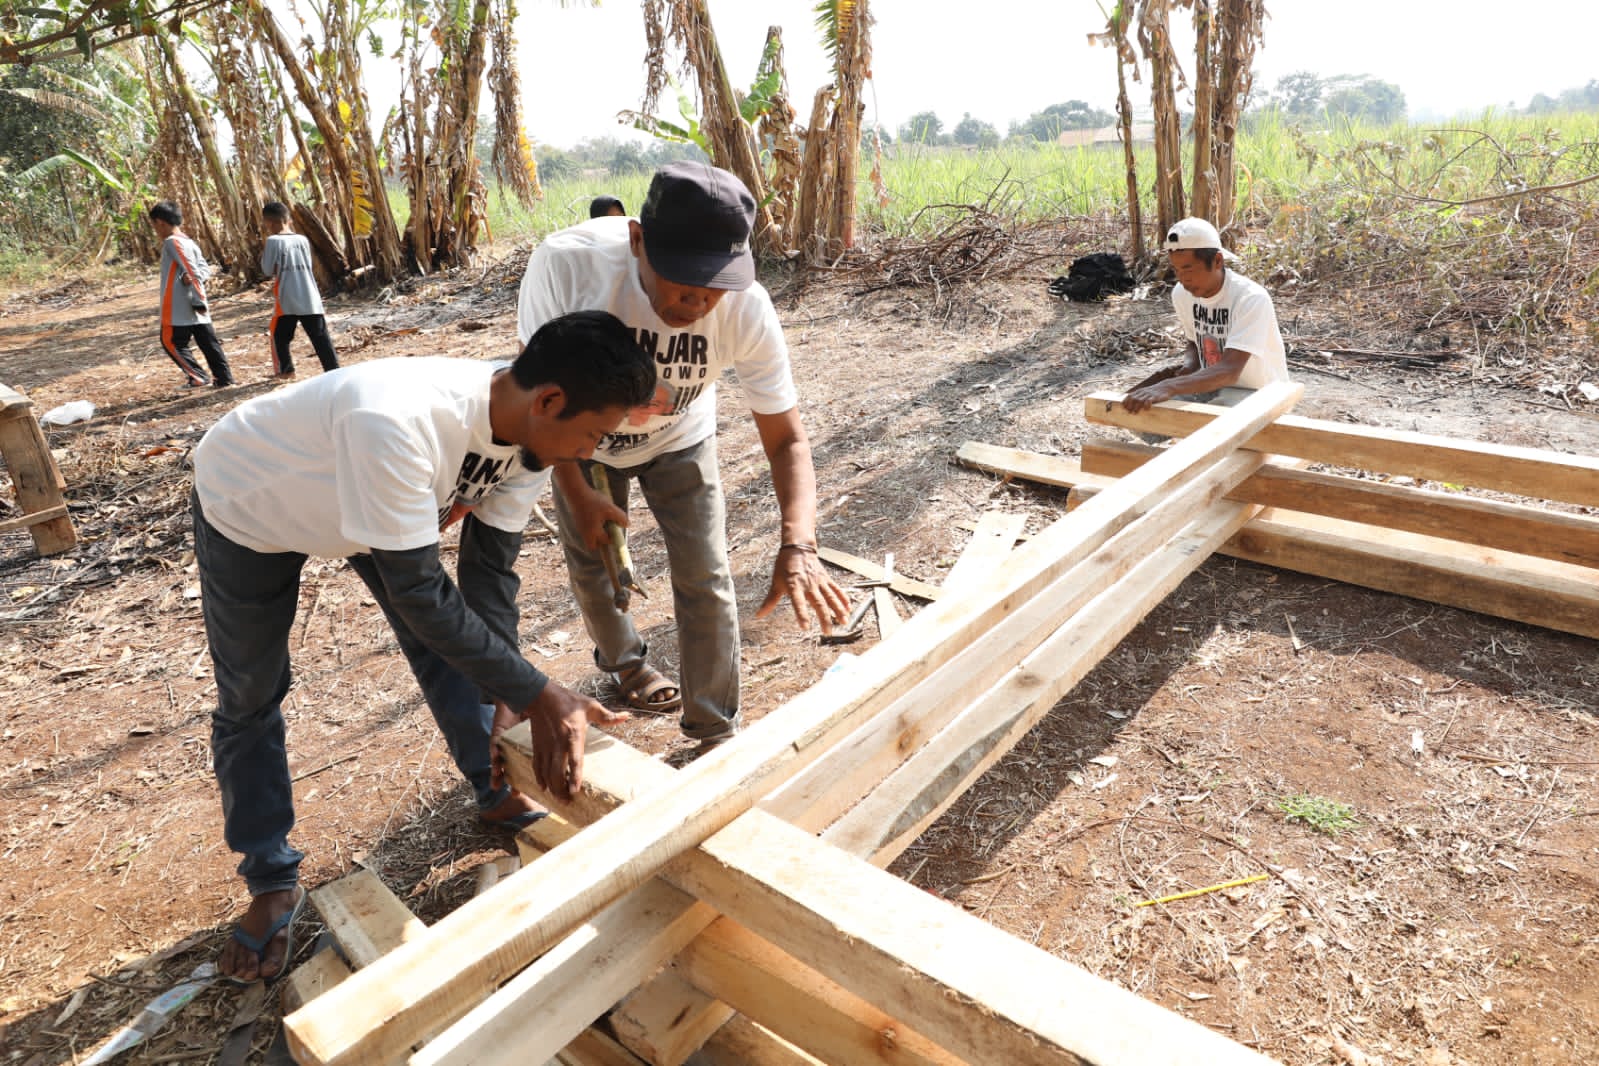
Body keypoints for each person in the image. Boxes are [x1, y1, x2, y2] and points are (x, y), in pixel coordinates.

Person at [192, 311, 656, 983]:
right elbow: (420, 595)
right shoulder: (397, 419)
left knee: (456, 643)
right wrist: (538, 692)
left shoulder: (534, 440)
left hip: (370, 510)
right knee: (251, 693)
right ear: (549, 400)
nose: (588, 453)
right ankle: (271, 879)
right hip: (251, 504)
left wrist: (509, 694)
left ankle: (493, 785)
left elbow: (488, 577)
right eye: (592, 434)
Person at [517, 162, 849, 747]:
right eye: (682, 281)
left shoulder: (746, 308)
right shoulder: (569, 268)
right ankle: (626, 667)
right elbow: (537, 399)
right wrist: (579, 491)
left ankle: (715, 727)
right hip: (578, 437)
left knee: (705, 573)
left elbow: (787, 439)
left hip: (681, 436)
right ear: (637, 240)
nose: (697, 302)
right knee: (595, 567)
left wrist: (800, 544)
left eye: (714, 284)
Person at [1123, 217, 1289, 420]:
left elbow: (1230, 370)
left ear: (1217, 261)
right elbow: (1194, 342)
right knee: (1145, 414)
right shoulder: (1182, 294)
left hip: (1259, 391)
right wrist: (1189, 365)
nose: (1183, 278)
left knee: (1212, 424)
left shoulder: (1250, 298)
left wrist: (1169, 386)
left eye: (1189, 269)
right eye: (1176, 269)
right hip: (1213, 385)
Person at [149, 201, 235, 389]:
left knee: (170, 342)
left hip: (181, 305)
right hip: (196, 303)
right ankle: (224, 378)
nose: (155, 230)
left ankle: (198, 376)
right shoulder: (189, 241)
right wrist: (193, 281)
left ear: (160, 222)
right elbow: (204, 269)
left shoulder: (172, 242)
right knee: (208, 342)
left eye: (154, 225)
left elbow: (192, 270)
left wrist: (197, 298)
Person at [261, 201, 340, 378]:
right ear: (287, 219)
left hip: (287, 298)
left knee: (279, 336)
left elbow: (267, 269)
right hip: (310, 296)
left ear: (269, 223)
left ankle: (286, 371)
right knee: (321, 338)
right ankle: (334, 371)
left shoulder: (273, 241)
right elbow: (309, 265)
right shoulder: (302, 240)